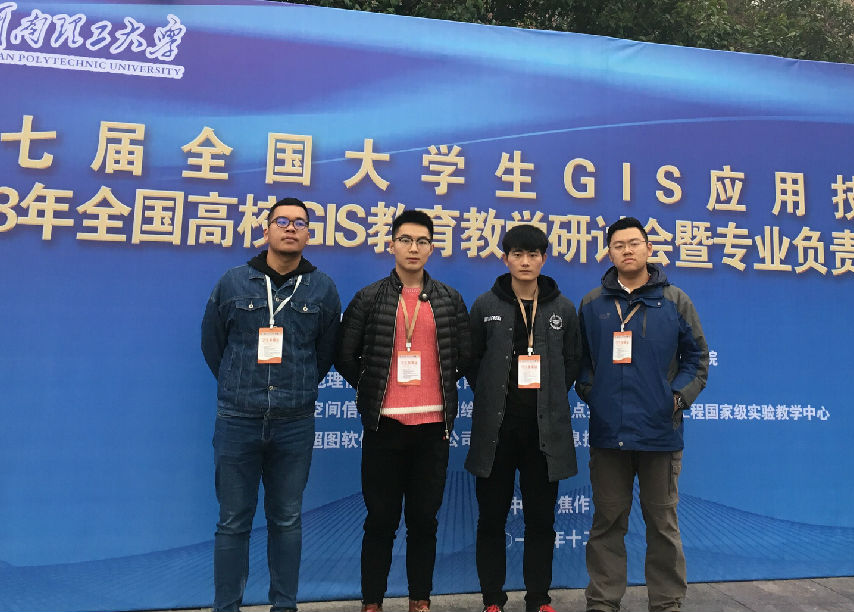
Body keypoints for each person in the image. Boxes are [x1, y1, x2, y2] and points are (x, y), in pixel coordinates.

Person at [201, 197, 342, 612]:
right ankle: (226, 607)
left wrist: (294, 387)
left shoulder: (322, 288)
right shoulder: (233, 282)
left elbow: (324, 353)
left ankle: (284, 605)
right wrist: (241, 385)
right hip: (237, 418)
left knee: (287, 520)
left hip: (293, 422)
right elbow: (213, 344)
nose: (291, 228)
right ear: (266, 231)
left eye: (300, 222)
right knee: (232, 521)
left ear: (309, 234)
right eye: (282, 221)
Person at [336, 209, 472, 612]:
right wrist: (373, 389)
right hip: (385, 426)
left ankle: (420, 601)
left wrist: (437, 385)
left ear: (432, 248)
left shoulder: (449, 299)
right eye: (406, 240)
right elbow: (345, 354)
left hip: (433, 428)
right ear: (391, 244)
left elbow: (464, 355)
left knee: (424, 522)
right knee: (380, 520)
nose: (414, 248)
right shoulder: (370, 297)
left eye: (422, 241)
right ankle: (372, 603)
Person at [576, 216, 709, 612]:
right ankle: (602, 601)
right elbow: (580, 362)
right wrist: (594, 395)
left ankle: (666, 602)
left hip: (659, 433)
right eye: (618, 245)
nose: (627, 250)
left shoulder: (675, 300)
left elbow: (697, 359)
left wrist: (676, 399)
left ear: (649, 248)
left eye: (634, 243)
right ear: (609, 253)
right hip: (609, 434)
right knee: (607, 521)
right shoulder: (593, 304)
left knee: (662, 523)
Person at [465, 224, 580, 612]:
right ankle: (492, 600)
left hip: (543, 433)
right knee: (491, 520)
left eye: (533, 254)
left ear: (544, 259)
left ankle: (538, 599)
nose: (525, 261)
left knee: (541, 521)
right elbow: (471, 361)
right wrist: (492, 393)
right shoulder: (485, 305)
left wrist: (549, 397)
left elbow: (572, 362)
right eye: (517, 254)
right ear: (505, 259)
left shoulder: (563, 309)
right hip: (496, 431)